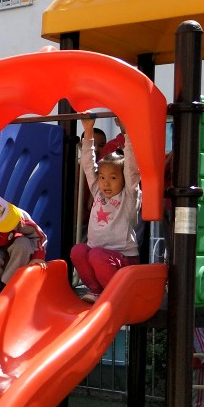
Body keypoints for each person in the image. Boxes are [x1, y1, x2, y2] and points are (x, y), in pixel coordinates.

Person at [71, 118, 141, 303]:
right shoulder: (98, 192)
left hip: (123, 259)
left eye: (113, 178)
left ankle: (115, 294)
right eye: (102, 177)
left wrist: (128, 134)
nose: (106, 183)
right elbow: (88, 165)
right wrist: (88, 130)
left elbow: (132, 169)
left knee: (95, 255)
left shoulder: (128, 196)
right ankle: (96, 290)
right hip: (101, 257)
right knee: (78, 251)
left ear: (123, 180)